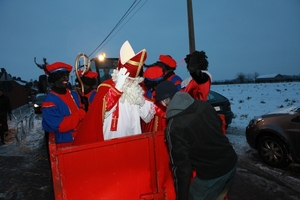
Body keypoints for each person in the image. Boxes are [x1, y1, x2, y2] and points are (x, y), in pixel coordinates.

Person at [155, 80, 238, 200]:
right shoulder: (203, 105)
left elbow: (181, 168)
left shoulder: (174, 127)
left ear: (163, 102)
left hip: (211, 174)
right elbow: (218, 126)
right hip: (231, 162)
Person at [74, 41, 155, 144]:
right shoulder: (106, 86)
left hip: (133, 138)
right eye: (128, 78)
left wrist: (164, 105)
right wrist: (118, 88)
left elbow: (148, 111)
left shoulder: (135, 89)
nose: (131, 81)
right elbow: (104, 110)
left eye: (133, 79)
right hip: (113, 139)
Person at [41, 62, 86, 146]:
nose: (66, 78)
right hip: (64, 143)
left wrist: (85, 106)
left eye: (66, 75)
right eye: (61, 76)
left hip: (81, 138)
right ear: (54, 80)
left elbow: (82, 111)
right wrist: (82, 112)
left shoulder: (73, 94)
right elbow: (61, 126)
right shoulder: (49, 102)